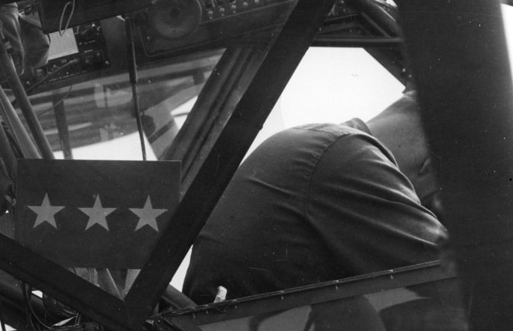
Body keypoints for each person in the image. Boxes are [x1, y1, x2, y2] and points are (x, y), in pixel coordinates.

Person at [184, 91, 446, 303]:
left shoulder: (318, 141)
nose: (422, 204)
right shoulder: (350, 157)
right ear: (431, 166)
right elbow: (462, 286)